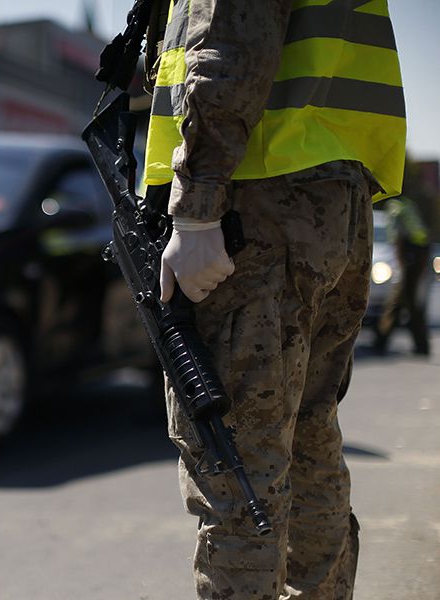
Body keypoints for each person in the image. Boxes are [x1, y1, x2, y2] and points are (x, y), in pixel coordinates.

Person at [142, 1, 405, 598]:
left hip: (256, 204)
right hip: (332, 197)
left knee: (238, 471)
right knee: (308, 438)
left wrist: (198, 208)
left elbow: (232, 46)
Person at [374, 195, 432, 356]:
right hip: (420, 252)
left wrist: (401, 265)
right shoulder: (407, 204)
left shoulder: (393, 207)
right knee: (404, 299)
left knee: (401, 298)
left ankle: (382, 340)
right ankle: (418, 345)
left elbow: (397, 238)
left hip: (411, 253)